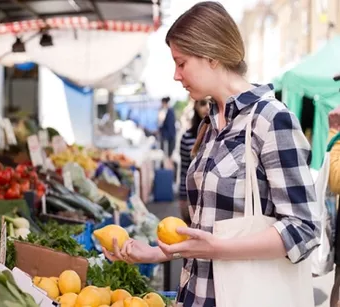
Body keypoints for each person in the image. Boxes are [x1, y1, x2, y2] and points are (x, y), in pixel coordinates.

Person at [102, 2, 320, 307]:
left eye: (182, 63)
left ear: (211, 56)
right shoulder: (210, 125)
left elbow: (304, 228)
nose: (176, 75)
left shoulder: (271, 120)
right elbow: (207, 232)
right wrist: (154, 252)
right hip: (194, 294)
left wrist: (219, 248)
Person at [179, 99, 210, 223]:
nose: (207, 107)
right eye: (203, 104)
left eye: (210, 103)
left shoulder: (223, 135)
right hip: (193, 197)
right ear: (196, 107)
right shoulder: (187, 137)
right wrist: (182, 198)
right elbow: (184, 171)